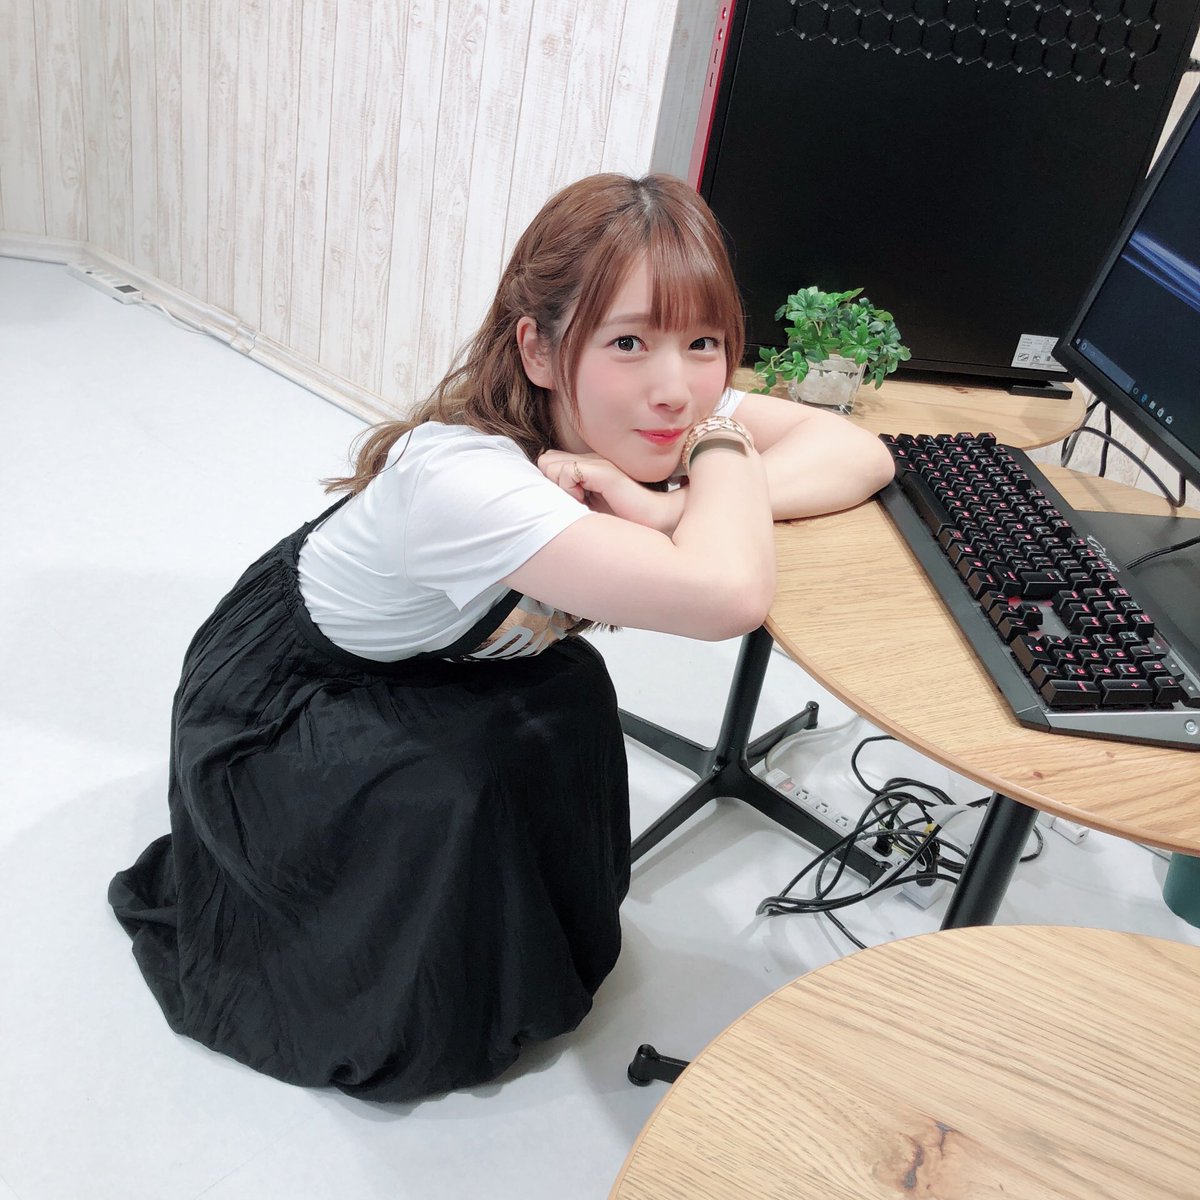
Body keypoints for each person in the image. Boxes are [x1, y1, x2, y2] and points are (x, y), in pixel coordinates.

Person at [109, 173, 894, 1102]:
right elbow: (728, 594)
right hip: (290, 700)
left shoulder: (647, 410)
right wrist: (723, 448)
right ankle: (403, 997)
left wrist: (672, 501)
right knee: (458, 782)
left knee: (571, 694)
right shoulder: (469, 482)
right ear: (540, 349)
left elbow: (860, 453)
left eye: (705, 342)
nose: (675, 389)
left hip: (429, 653)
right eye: (629, 342)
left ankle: (517, 954)